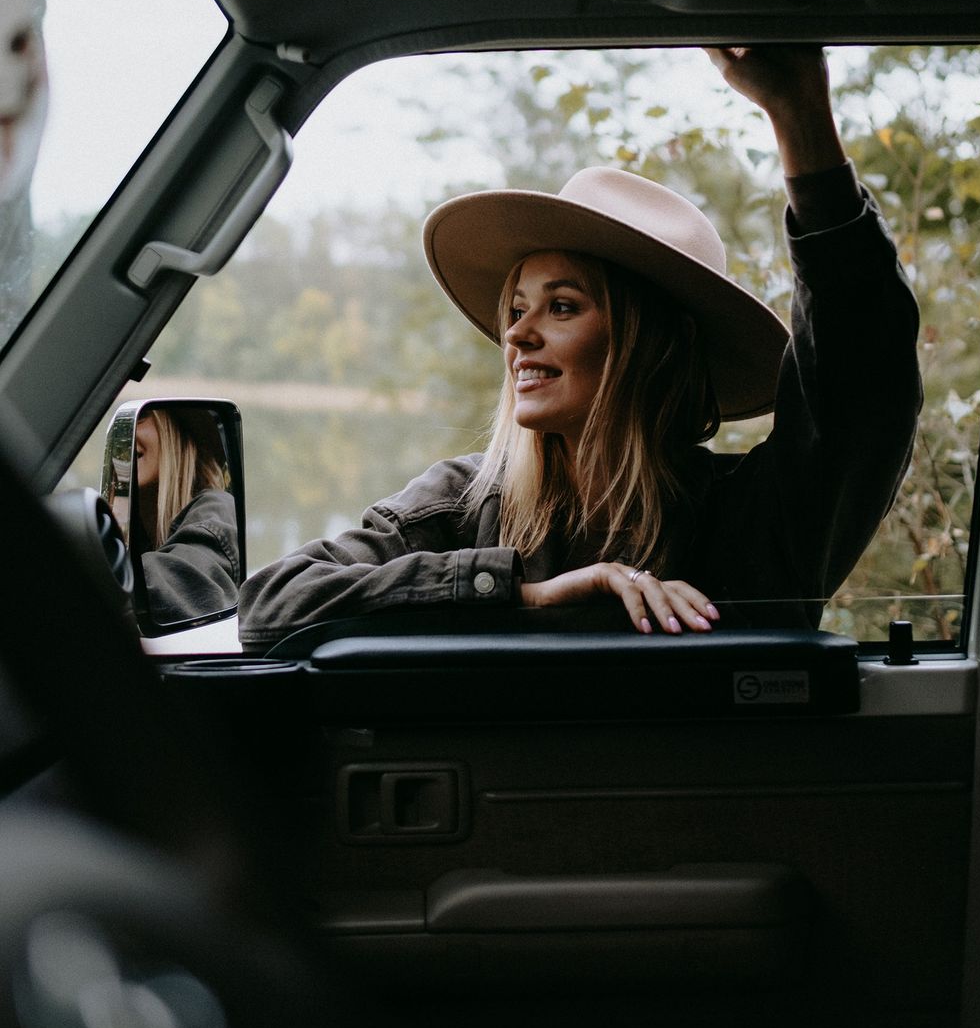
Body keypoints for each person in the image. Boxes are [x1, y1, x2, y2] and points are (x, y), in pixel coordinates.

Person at [239, 47, 921, 647]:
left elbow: (864, 367)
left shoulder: (756, 517)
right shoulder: (460, 506)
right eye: (515, 308)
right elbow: (271, 607)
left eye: (562, 306)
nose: (516, 334)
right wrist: (524, 593)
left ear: (656, 346)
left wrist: (799, 111)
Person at [134, 406, 241, 624]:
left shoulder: (217, 508)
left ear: (177, 434)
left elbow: (186, 584)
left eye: (141, 418)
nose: (127, 434)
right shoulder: (130, 526)